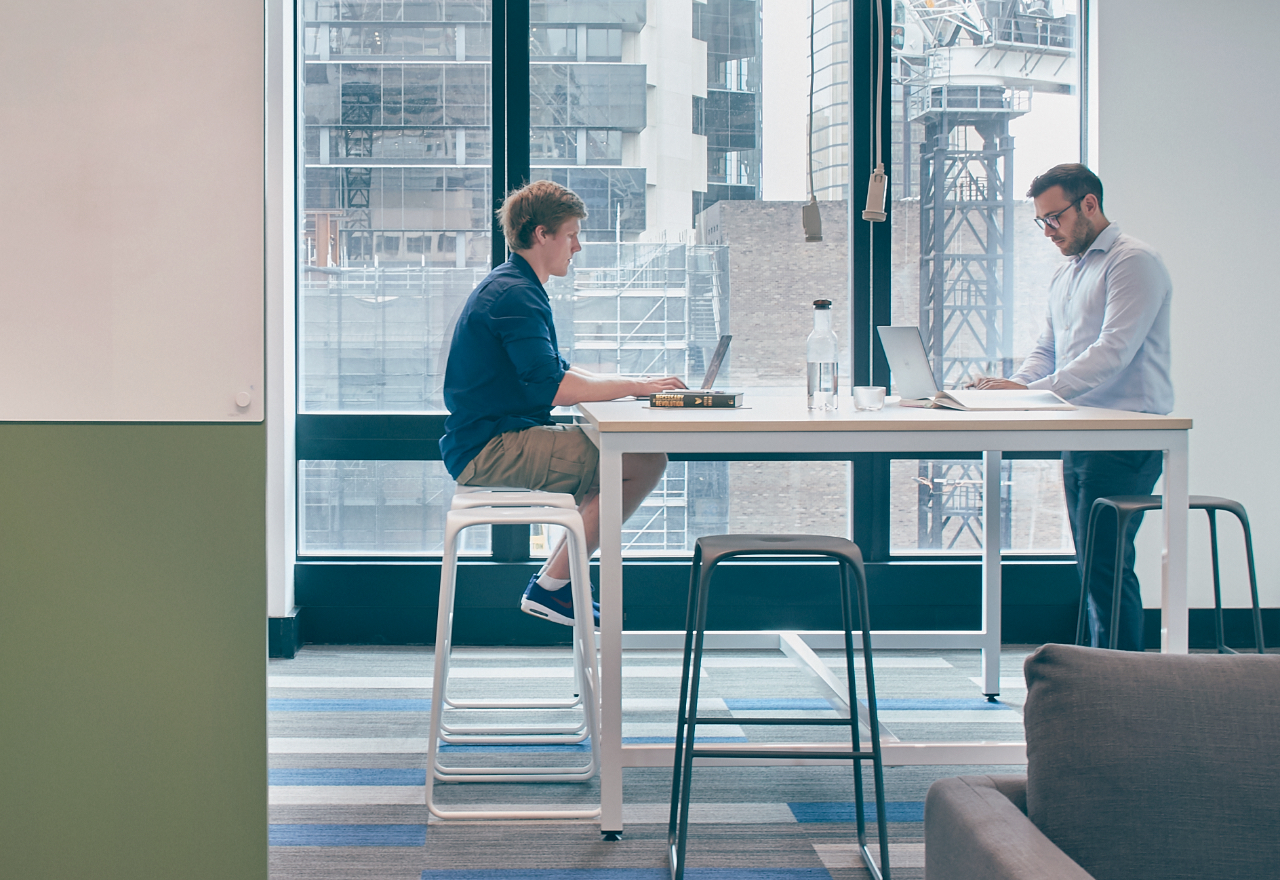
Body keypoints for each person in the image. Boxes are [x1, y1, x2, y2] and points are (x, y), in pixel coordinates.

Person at [439, 180, 686, 627]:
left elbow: (560, 369)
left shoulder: (514, 286)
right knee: (644, 461)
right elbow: (556, 388)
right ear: (541, 235)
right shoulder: (515, 295)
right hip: (488, 446)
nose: (577, 245)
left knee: (615, 464)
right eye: (571, 234)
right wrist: (635, 386)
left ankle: (557, 585)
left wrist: (640, 383)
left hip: (490, 437)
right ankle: (552, 588)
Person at [971, 164, 1173, 650]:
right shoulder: (1067, 274)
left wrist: (1035, 395)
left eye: (1054, 218)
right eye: (1040, 222)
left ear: (1089, 204)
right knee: (1093, 564)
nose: (1048, 232)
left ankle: (1124, 685)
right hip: (1081, 433)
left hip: (1126, 435)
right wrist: (1012, 387)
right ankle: (1103, 674)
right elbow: (1049, 351)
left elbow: (1113, 350)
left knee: (1106, 565)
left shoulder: (1133, 262)